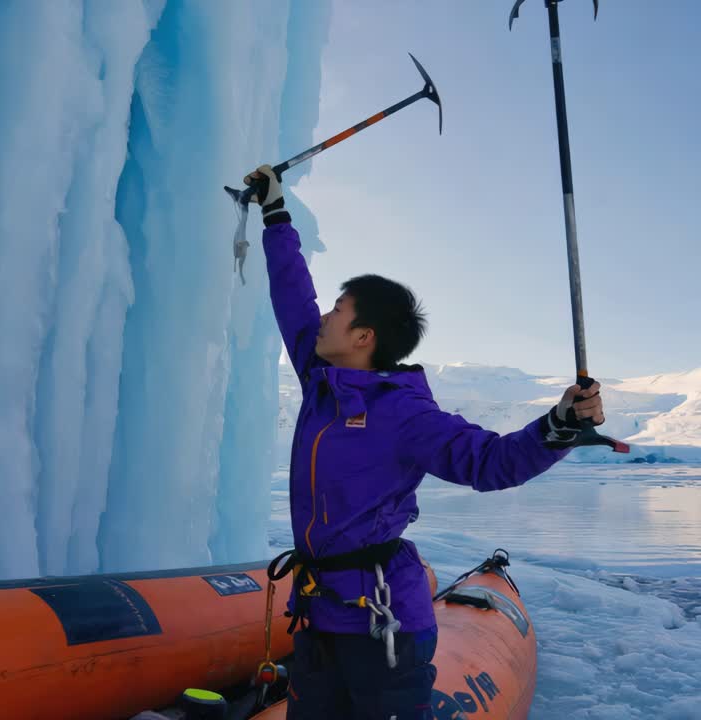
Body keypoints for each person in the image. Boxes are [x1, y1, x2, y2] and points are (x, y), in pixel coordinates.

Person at [247, 164, 604, 720]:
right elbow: (292, 295)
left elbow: (491, 463)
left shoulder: (403, 413)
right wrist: (275, 214)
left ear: (364, 338)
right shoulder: (321, 379)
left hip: (381, 627)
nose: (323, 317)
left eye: (338, 311)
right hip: (318, 613)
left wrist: (558, 425)